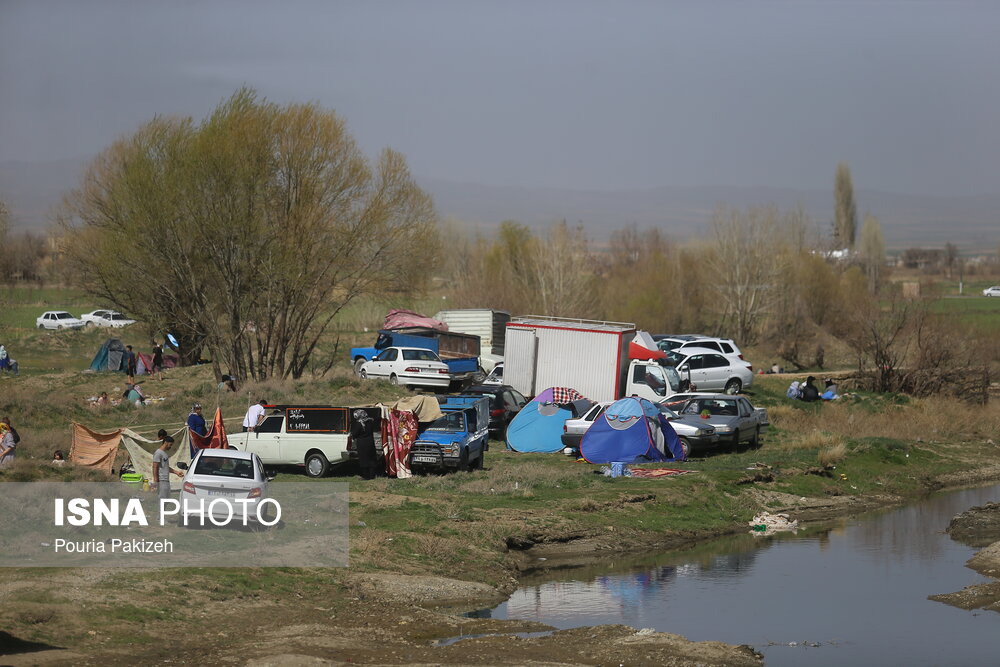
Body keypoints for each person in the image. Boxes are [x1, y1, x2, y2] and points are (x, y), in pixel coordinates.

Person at [151, 431, 183, 501]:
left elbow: (165, 467)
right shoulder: (158, 453)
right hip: (161, 480)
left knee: (167, 499)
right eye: (170, 445)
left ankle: (164, 511)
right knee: (162, 500)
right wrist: (155, 482)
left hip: (166, 480)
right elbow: (155, 467)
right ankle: (160, 511)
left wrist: (176, 472)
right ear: (165, 443)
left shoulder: (164, 454)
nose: (170, 447)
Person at [350, 409, 378, 480]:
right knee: (371, 459)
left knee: (364, 460)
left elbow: (354, 434)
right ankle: (372, 475)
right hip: (370, 442)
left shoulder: (359, 424)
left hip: (362, 444)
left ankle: (366, 476)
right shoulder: (370, 422)